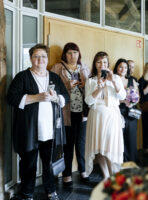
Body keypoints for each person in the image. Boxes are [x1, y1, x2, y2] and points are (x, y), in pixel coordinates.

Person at [7, 44, 69, 200]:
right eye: (36, 56)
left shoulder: (54, 77)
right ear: (30, 59)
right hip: (29, 130)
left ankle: (51, 190)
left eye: (43, 56)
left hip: (51, 129)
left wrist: (57, 97)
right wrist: (37, 97)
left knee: (49, 163)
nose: (40, 59)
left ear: (47, 59)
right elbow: (11, 98)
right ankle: (27, 193)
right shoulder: (22, 77)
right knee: (29, 163)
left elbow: (65, 97)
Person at [51, 42, 90, 186]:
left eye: (75, 52)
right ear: (64, 54)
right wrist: (68, 85)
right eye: (69, 52)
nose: (72, 55)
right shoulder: (57, 67)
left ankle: (82, 170)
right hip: (66, 111)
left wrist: (84, 85)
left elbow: (90, 88)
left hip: (82, 111)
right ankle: (67, 173)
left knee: (81, 143)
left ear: (79, 54)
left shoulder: (84, 67)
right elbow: (52, 88)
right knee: (67, 144)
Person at [85, 52, 126, 179]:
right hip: (96, 117)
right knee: (99, 149)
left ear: (108, 64)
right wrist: (99, 87)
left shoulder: (116, 78)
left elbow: (123, 96)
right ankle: (106, 177)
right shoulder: (91, 81)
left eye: (104, 62)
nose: (101, 65)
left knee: (110, 148)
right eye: (99, 62)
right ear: (95, 64)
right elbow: (88, 101)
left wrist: (113, 81)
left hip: (112, 116)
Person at [114, 58, 139, 162]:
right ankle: (120, 162)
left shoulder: (132, 80)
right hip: (117, 111)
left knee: (131, 138)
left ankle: (131, 161)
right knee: (119, 138)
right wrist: (123, 101)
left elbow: (137, 97)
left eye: (125, 67)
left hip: (131, 112)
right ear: (117, 68)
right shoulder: (113, 80)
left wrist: (132, 102)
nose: (123, 69)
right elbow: (110, 98)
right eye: (120, 67)